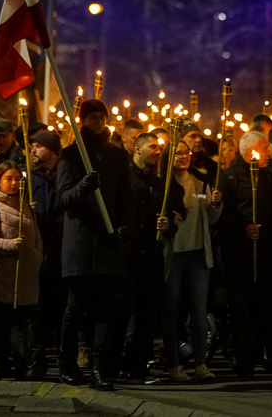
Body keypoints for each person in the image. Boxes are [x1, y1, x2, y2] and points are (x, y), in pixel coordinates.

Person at [56, 99, 132, 391]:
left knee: (105, 309)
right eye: (92, 117)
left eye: (102, 116)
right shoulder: (71, 156)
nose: (98, 122)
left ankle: (100, 368)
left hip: (108, 242)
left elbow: (126, 198)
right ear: (82, 120)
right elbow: (62, 200)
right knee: (75, 307)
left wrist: (123, 230)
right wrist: (82, 188)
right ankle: (67, 363)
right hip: (80, 243)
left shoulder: (117, 156)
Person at [216, 130, 272, 378]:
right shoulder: (230, 177)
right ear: (250, 152)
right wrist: (243, 228)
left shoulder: (267, 177)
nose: (268, 153)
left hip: (263, 254)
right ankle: (242, 358)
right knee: (241, 307)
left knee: (263, 306)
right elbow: (222, 215)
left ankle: (260, 352)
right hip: (238, 256)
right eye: (264, 149)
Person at [160, 138, 222, 383]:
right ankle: (174, 364)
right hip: (173, 255)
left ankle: (200, 364)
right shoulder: (163, 183)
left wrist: (216, 203)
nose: (184, 157)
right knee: (172, 310)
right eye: (178, 154)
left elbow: (211, 214)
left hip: (197, 254)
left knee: (198, 310)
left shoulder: (198, 181)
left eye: (186, 153)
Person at [0, 161, 43, 380]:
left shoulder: (27, 208)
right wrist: (11, 245)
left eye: (17, 179)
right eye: (9, 178)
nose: (14, 183)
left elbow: (36, 238)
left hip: (21, 277)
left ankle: (21, 366)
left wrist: (35, 256)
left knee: (19, 325)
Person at [119, 131, 165, 384]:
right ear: (137, 148)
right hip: (128, 255)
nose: (158, 152)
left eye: (160, 148)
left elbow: (173, 212)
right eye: (153, 146)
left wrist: (168, 223)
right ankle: (117, 364)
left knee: (147, 315)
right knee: (124, 312)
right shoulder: (125, 178)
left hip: (152, 256)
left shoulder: (158, 183)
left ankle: (138, 367)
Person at [29, 130, 64, 379]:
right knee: (38, 313)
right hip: (39, 255)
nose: (32, 150)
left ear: (51, 150)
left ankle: (64, 361)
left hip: (62, 253)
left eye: (38, 146)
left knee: (62, 311)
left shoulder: (65, 176)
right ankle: (37, 361)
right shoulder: (31, 179)